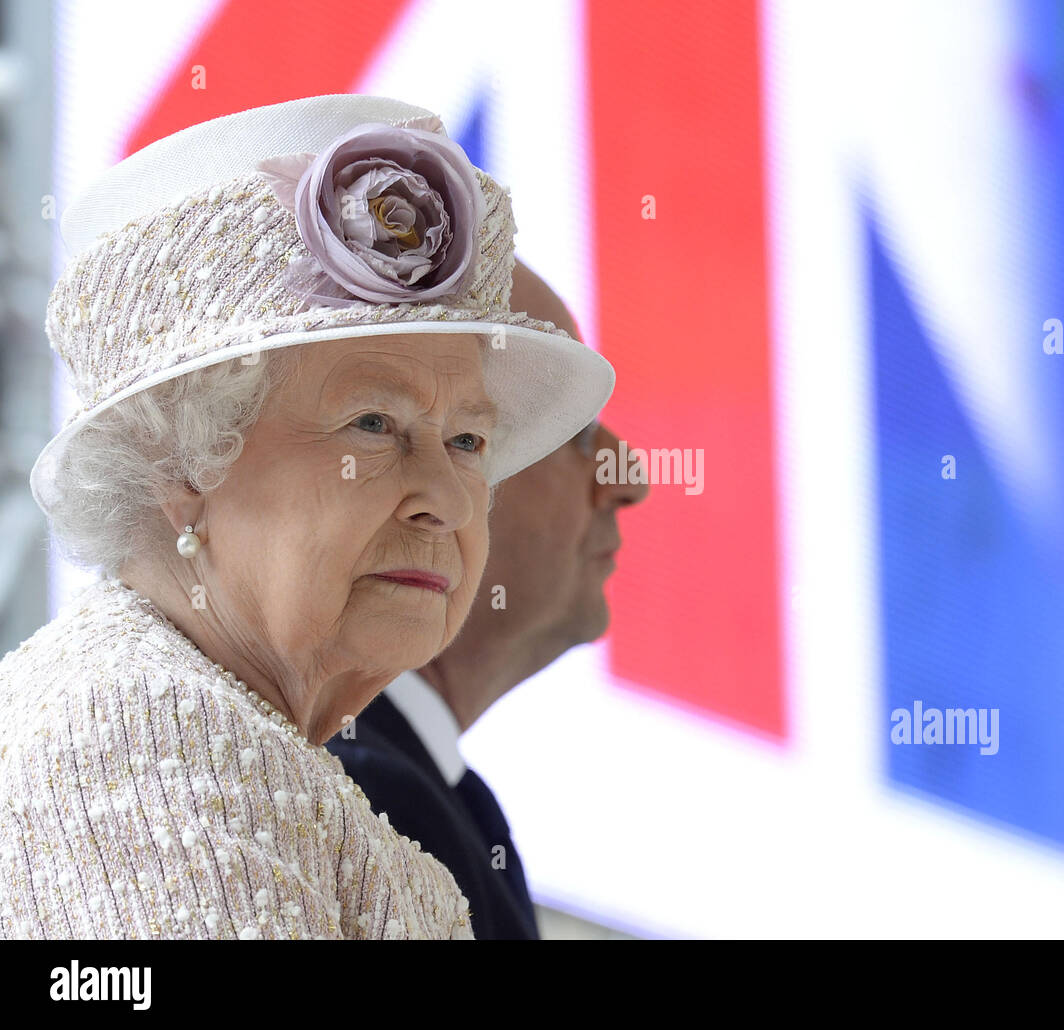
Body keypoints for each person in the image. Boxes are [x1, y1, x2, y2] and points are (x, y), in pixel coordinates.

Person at [0, 94, 614, 940]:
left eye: (468, 439)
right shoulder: (141, 736)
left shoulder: (243, 742)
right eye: (374, 424)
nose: (448, 498)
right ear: (183, 461)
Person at [328, 261, 649, 938]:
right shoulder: (356, 799)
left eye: (470, 439)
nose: (629, 479)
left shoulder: (432, 793)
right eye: (574, 433)